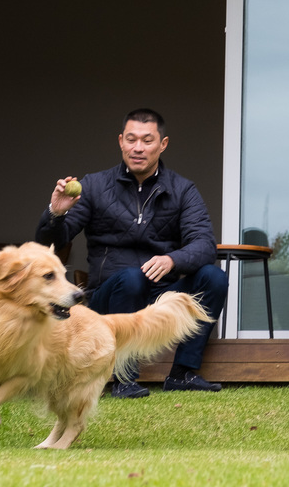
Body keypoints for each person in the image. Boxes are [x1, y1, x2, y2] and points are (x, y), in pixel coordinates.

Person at [34, 108, 228, 398]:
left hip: (162, 293)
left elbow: (203, 244)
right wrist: (56, 214)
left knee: (214, 277)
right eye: (132, 139)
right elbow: (50, 242)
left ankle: (183, 373)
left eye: (147, 140)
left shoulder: (183, 190)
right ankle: (124, 379)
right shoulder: (95, 185)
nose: (138, 148)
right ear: (121, 141)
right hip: (109, 296)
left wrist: (172, 259)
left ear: (162, 144)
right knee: (131, 279)